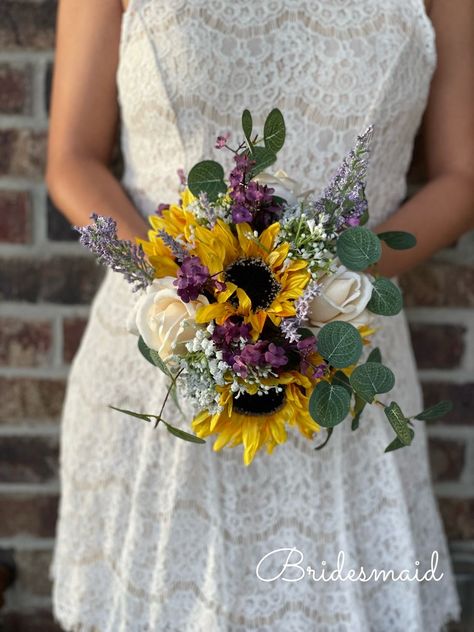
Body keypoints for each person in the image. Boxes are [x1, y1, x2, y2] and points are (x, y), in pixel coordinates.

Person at [46, 0, 473, 630]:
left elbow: (462, 176)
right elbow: (73, 157)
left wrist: (331, 286)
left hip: (345, 368)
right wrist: (185, 293)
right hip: (162, 366)